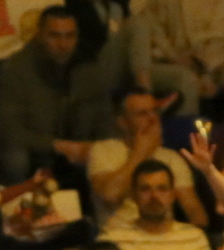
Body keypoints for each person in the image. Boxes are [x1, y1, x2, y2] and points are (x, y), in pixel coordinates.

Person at [0, 6, 119, 186]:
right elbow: (7, 130)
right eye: (54, 36)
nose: (63, 44)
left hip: (81, 148)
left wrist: (98, 148)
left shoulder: (89, 67)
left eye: (69, 36)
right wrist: (56, 145)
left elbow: (104, 118)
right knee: (14, 156)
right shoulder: (15, 70)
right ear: (39, 35)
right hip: (38, 153)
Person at [85, 85, 201, 222]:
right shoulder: (104, 150)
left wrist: (195, 231)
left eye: (155, 111)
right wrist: (141, 152)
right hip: (120, 233)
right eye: (142, 114)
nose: (153, 119)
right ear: (123, 122)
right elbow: (110, 195)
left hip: (165, 232)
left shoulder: (170, 157)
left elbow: (193, 209)